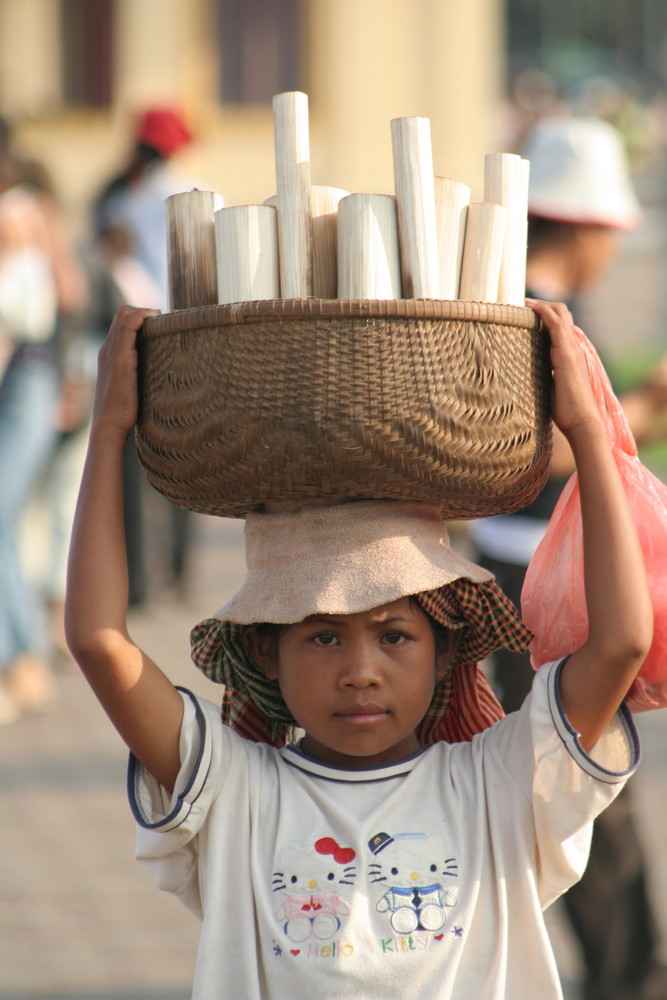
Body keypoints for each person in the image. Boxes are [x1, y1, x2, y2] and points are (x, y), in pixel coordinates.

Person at [64, 299, 653, 1000]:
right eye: (321, 636)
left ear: (444, 654)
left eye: (395, 635)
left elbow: (620, 643)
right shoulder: (236, 791)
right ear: (265, 656)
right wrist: (107, 432)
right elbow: (98, 641)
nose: (360, 672)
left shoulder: (496, 782)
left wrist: (585, 431)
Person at [469, 115, 667, 1000]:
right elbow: (503, 450)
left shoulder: (518, 299)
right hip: (533, 579)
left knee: (590, 765)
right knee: (580, 770)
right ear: (584, 229)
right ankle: (620, 968)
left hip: (539, 567)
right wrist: (636, 412)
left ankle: (629, 959)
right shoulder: (529, 313)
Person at [0, 122, 87, 723]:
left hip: (28, 373)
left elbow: (70, 293)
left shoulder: (21, 211)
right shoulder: (31, 211)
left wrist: (67, 377)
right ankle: (22, 658)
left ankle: (23, 656)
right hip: (30, 373)